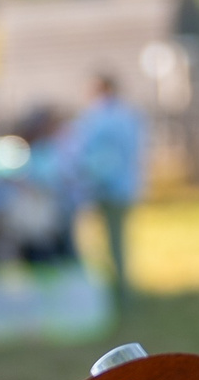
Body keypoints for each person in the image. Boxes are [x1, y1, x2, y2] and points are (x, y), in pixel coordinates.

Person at [57, 72, 147, 304]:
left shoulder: (96, 117)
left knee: (101, 244)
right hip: (123, 187)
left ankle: (110, 292)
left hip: (102, 187)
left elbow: (83, 151)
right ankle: (118, 290)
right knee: (116, 242)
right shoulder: (128, 115)